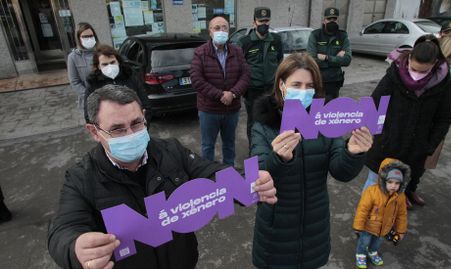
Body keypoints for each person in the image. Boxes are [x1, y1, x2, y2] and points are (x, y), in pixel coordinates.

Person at [47, 85, 277, 269]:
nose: (131, 134)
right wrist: (74, 248)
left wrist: (247, 180)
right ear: (94, 132)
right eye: (118, 129)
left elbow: (208, 172)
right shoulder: (80, 177)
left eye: (137, 123)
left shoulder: (170, 150)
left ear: (144, 117)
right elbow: (64, 229)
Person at [250, 53, 373, 268]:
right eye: (297, 84)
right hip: (276, 227)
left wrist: (353, 152)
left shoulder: (325, 120)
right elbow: (258, 176)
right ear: (282, 84)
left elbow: (341, 171)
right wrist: (279, 158)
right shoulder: (263, 125)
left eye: (310, 86)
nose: (304, 91)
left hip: (315, 225)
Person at [363, 35, 451, 208]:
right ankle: (365, 226)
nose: (417, 76)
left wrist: (429, 146)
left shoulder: (442, 82)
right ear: (409, 58)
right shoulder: (394, 74)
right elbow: (374, 104)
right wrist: (373, 135)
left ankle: (389, 222)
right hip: (385, 145)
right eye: (414, 69)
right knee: (373, 189)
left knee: (397, 192)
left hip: (415, 149)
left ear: (434, 64)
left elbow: (444, 118)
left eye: (423, 72)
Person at [190, 16, 250, 166]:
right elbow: (197, 80)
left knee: (229, 145)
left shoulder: (237, 51)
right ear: (210, 31)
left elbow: (245, 75)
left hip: (232, 110)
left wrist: (233, 93)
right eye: (217, 28)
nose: (221, 31)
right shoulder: (200, 52)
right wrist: (221, 95)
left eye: (224, 28)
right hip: (209, 110)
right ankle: (208, 174)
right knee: (207, 145)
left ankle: (229, 173)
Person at [237, 7, 283, 144]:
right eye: (260, 20)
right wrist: (244, 89)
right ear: (254, 23)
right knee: (253, 121)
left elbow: (280, 62)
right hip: (253, 90)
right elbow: (239, 67)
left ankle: (271, 146)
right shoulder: (245, 42)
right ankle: (254, 149)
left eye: (266, 20)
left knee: (273, 119)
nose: (264, 24)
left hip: (271, 89)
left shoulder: (276, 40)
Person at [353, 158, 409, 269]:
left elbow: (402, 214)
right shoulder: (371, 191)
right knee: (364, 241)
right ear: (383, 179)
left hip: (385, 228)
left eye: (397, 183)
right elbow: (362, 209)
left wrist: (401, 230)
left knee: (377, 242)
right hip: (368, 226)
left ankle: (373, 252)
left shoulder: (400, 197)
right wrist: (358, 226)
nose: (393, 186)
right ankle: (361, 254)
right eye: (390, 182)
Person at [84, 44, 150, 123]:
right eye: (105, 64)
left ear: (118, 61)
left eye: (112, 62)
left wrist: (144, 124)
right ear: (98, 66)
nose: (110, 66)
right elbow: (89, 113)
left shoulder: (130, 76)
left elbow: (145, 103)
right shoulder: (93, 83)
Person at [307, 7, 352, 102]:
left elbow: (347, 60)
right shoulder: (315, 35)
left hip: (334, 81)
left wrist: (326, 58)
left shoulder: (342, 36)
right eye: (329, 19)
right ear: (324, 20)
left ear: (337, 20)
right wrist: (337, 59)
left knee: (332, 111)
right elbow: (311, 60)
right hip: (318, 80)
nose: (332, 21)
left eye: (334, 19)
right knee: (316, 110)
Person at [67, 23, 98, 109]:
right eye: (85, 36)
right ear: (78, 39)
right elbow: (75, 82)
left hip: (107, 98)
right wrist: (90, 96)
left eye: (91, 36)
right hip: (89, 101)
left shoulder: (101, 52)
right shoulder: (73, 57)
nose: (89, 38)